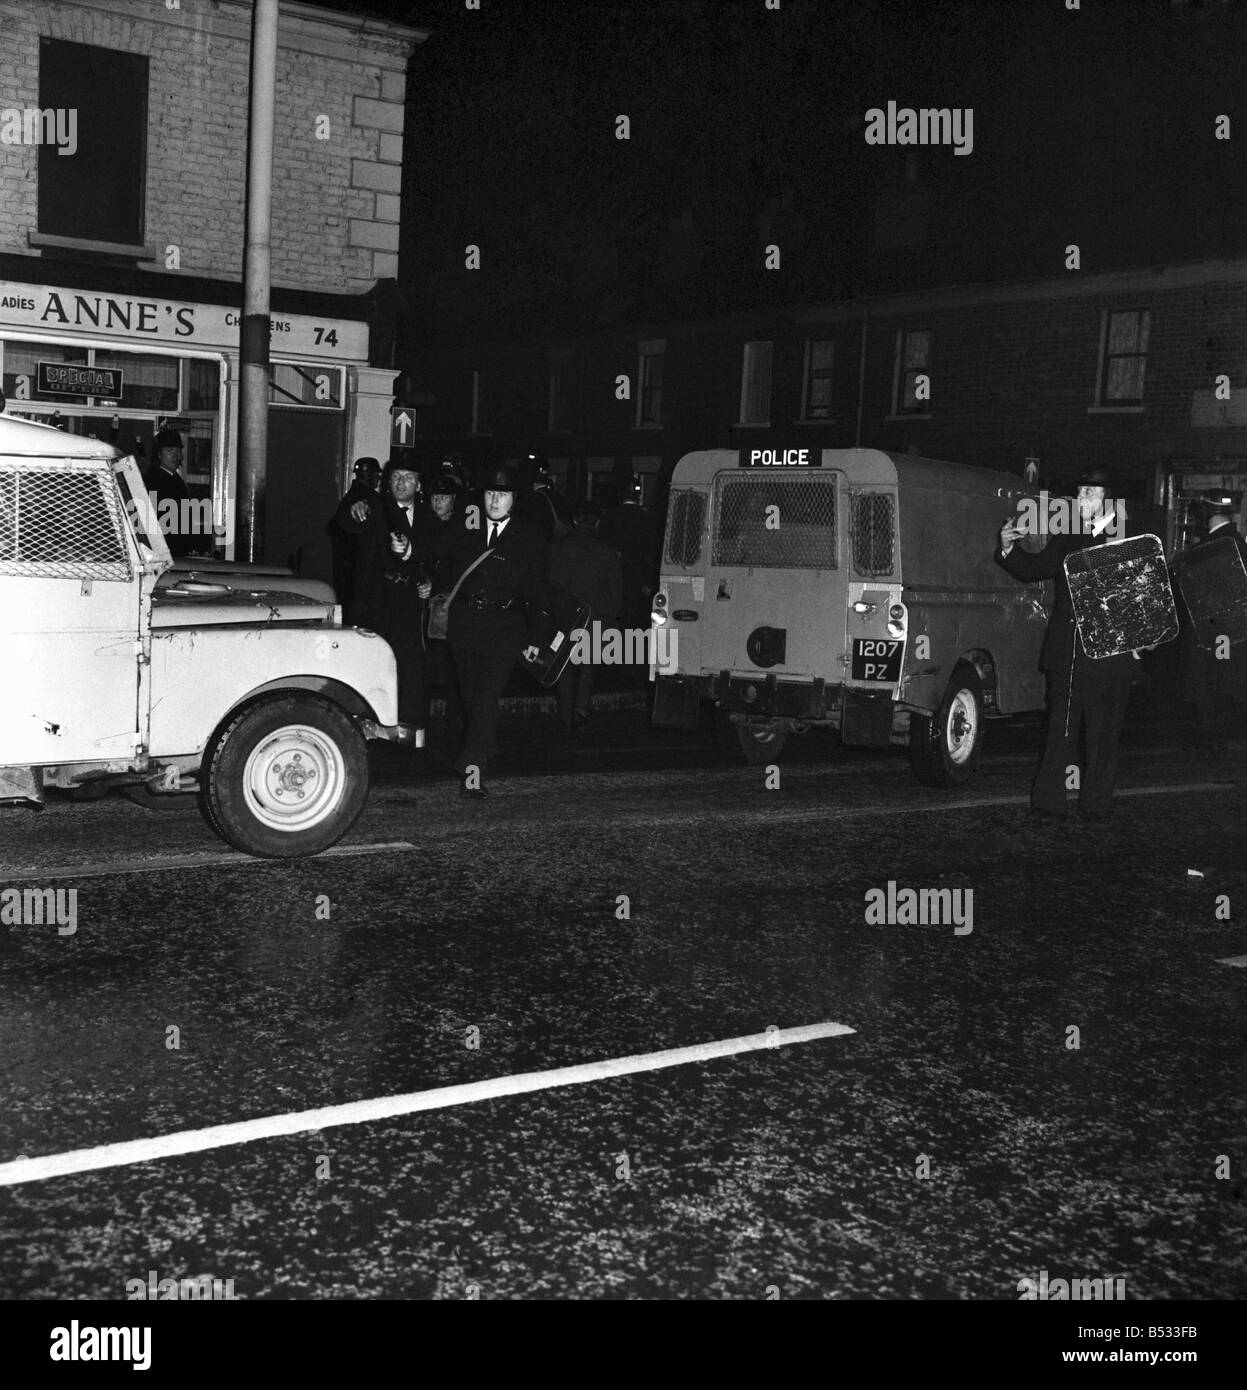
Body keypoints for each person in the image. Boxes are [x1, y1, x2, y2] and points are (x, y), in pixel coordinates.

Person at [996, 467, 1137, 821]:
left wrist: (1140, 639)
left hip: (1109, 653)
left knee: (1103, 734)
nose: (1081, 499)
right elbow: (1036, 568)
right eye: (1080, 492)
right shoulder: (1070, 535)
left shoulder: (1127, 535)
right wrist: (1008, 546)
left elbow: (1139, 591)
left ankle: (1096, 802)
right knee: (1061, 728)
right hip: (1069, 650)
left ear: (1109, 499)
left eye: (1091, 492)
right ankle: (1048, 800)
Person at [411, 463, 547, 798]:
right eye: (490, 494)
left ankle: (471, 772)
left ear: (514, 499)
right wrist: (410, 552)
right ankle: (487, 746)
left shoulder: (529, 537)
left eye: (502, 495)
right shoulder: (466, 527)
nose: (495, 501)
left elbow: (540, 593)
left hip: (505, 630)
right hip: (466, 627)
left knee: (485, 698)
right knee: (473, 700)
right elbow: (438, 551)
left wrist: (536, 640)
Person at [335, 460, 432, 748]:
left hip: (410, 602)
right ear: (387, 482)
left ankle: (409, 726)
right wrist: (355, 511)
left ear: (418, 484)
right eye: (396, 477)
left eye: (408, 477)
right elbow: (346, 521)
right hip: (376, 600)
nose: (402, 482)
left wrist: (431, 581)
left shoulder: (427, 516)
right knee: (375, 662)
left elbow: (440, 553)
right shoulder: (374, 506)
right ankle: (369, 724)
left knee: (410, 664)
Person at [547, 499, 623, 732]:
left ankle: (565, 714)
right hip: (595, 618)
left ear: (574, 521)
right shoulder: (607, 552)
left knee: (564, 666)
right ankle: (580, 709)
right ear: (597, 522)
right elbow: (615, 590)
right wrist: (616, 618)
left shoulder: (557, 548)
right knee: (588, 666)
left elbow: (548, 583)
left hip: (565, 616)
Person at [1178, 508, 1247, 748]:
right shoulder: (1238, 543)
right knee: (1233, 680)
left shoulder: (1206, 548)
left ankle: (1212, 732)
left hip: (1210, 628)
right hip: (1236, 628)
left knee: (1208, 682)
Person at [423, 473, 467, 739]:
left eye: (444, 497)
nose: (438, 501)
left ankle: (454, 718)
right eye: (435, 496)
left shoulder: (460, 528)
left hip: (448, 604)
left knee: (453, 664)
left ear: (453, 500)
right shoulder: (423, 525)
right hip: (425, 602)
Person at [328, 456, 381, 623]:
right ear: (372, 476)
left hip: (348, 579)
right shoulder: (368, 500)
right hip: (361, 582)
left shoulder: (350, 497)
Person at [604, 480, 659, 629]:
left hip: (614, 574)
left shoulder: (611, 516)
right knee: (635, 619)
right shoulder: (646, 518)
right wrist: (648, 581)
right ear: (638, 496)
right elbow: (651, 551)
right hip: (638, 576)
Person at [150, 428, 201, 558]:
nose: (175, 456)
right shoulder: (152, 480)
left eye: (178, 451)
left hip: (176, 551)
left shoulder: (177, 481)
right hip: (162, 551)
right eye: (169, 451)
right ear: (159, 454)